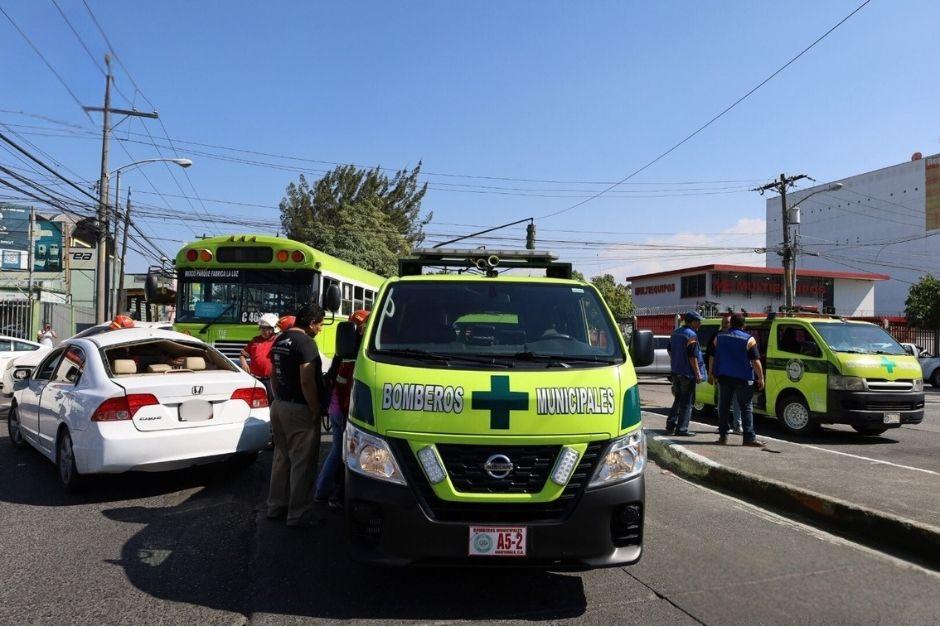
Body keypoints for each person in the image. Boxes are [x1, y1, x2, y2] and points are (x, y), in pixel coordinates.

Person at [267, 303, 326, 527]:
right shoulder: (306, 343)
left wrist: (278, 398)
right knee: (302, 463)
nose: (320, 329)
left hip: (280, 405)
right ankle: (298, 514)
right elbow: (307, 381)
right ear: (311, 323)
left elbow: (273, 374)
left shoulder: (280, 340)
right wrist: (315, 409)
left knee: (281, 459)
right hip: (300, 408)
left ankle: (276, 506)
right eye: (320, 325)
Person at [315, 309, 369, 511]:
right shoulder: (354, 359)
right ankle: (330, 492)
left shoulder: (343, 354)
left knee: (338, 452)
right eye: (365, 328)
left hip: (336, 410)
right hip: (344, 413)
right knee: (344, 454)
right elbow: (346, 392)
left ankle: (323, 490)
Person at [713, 313, 766, 447]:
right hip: (743, 378)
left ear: (731, 323)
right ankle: (749, 438)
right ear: (744, 325)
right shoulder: (749, 339)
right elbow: (755, 360)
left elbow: (715, 355)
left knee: (724, 407)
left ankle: (723, 437)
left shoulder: (719, 337)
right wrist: (761, 377)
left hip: (724, 377)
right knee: (746, 407)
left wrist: (713, 373)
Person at [666, 311, 705, 436]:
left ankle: (670, 424)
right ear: (693, 322)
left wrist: (676, 360)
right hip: (687, 374)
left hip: (676, 371)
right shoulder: (691, 336)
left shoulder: (675, 333)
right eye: (698, 322)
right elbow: (692, 357)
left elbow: (669, 350)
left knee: (678, 399)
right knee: (687, 403)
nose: (700, 324)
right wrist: (698, 374)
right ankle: (682, 429)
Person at [708, 316, 742, 435]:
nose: (724, 324)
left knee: (737, 400)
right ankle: (723, 426)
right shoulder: (717, 336)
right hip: (722, 374)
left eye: (727, 322)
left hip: (737, 374)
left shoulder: (739, 336)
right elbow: (712, 356)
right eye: (723, 322)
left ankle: (737, 425)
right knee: (722, 402)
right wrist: (710, 373)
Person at [240, 313, 279, 401]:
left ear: (274, 329)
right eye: (262, 328)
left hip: (272, 381)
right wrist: (244, 363)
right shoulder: (255, 341)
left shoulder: (278, 342)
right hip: (256, 379)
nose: (264, 331)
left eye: (267, 328)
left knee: (272, 403)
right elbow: (243, 355)